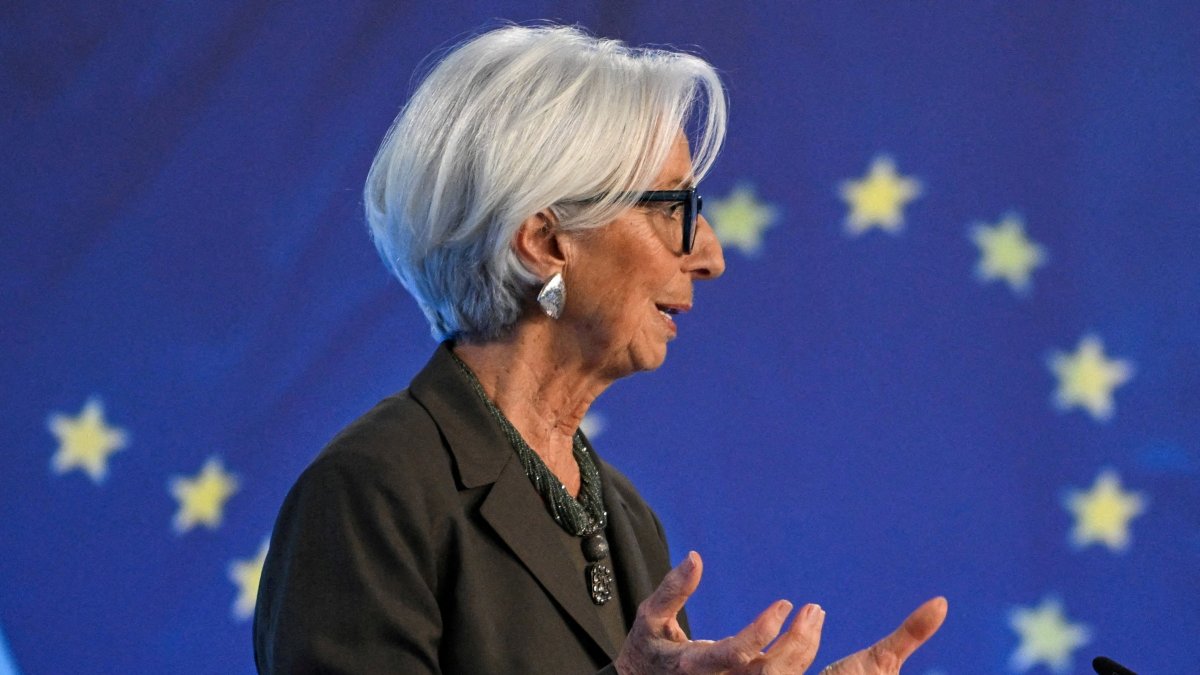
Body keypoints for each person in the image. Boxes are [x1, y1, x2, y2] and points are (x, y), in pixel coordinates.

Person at [253, 24, 947, 674]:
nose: (709, 254)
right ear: (546, 240)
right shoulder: (372, 492)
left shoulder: (625, 516)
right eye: (673, 207)